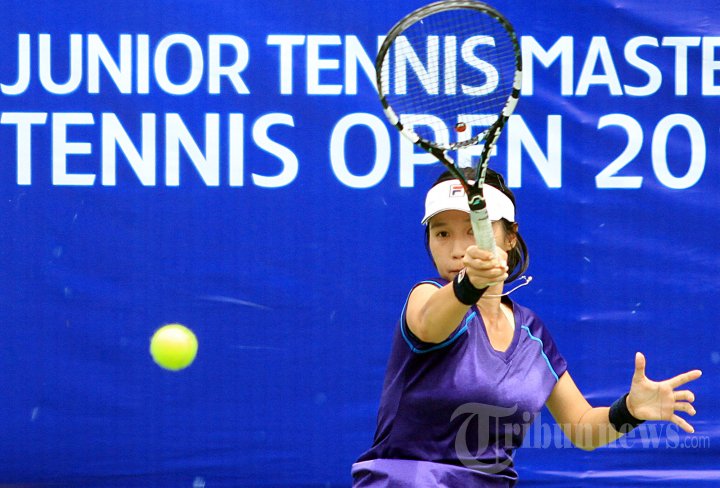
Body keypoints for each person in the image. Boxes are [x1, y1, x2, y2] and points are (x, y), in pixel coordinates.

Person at [352, 168, 702, 487]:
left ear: (510, 237)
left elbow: (582, 428)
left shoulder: (531, 333)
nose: (457, 249)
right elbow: (430, 323)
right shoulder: (426, 297)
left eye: (474, 230)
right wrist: (468, 284)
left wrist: (630, 410)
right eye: (442, 233)